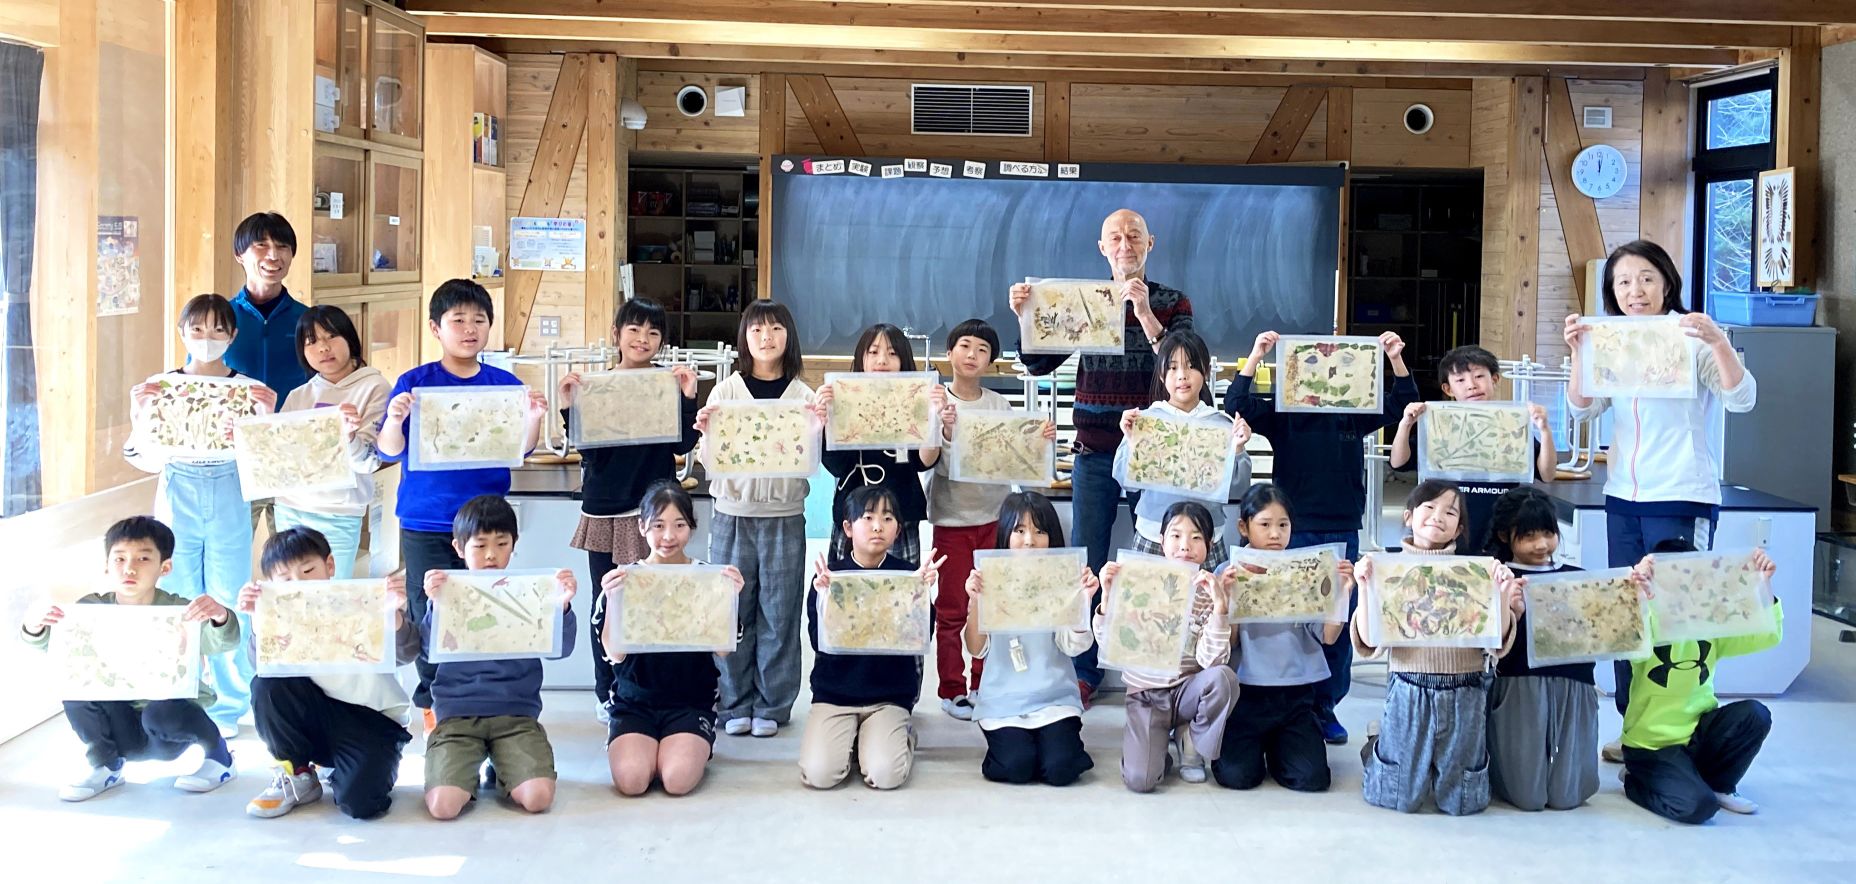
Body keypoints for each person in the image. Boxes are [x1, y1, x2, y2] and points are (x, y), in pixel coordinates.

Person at [1562, 239, 1757, 759]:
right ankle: (1635, 731)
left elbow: (1742, 398)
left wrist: (1718, 342)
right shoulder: (1611, 341)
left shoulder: (1691, 339)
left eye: (1646, 278)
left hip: (1682, 495)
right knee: (1628, 616)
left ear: (1667, 283)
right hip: (1623, 498)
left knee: (1679, 616)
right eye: (1623, 282)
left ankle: (1680, 734)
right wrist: (1580, 351)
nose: (1636, 290)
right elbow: (1581, 410)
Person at [1009, 208, 1194, 702]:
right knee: (1087, 558)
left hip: (1155, 453)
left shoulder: (1172, 301)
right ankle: (1084, 671)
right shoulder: (1086, 300)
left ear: (1150, 243)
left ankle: (1152, 667)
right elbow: (1037, 363)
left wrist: (1145, 313)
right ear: (1101, 246)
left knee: (1158, 559)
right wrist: (1024, 316)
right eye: (1115, 237)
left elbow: (1184, 362)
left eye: (1134, 236)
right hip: (1093, 450)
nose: (1124, 244)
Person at [1225, 328, 1419, 745]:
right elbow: (1236, 403)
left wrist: (1394, 358)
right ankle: (1290, 703)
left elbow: (1402, 403)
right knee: (1290, 618)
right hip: (1289, 530)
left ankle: (1325, 708)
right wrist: (1257, 354)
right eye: (1312, 364)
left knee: (1335, 621)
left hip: (1341, 526)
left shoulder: (1353, 409)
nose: (1324, 373)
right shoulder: (1283, 410)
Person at [376, 279, 548, 728]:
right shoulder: (415, 383)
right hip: (426, 518)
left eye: (479, 320)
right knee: (428, 609)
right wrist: (394, 418)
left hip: (486, 523)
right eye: (458, 320)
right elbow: (389, 449)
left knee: (485, 606)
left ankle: (482, 696)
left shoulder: (504, 385)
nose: (470, 329)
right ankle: (433, 700)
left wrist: (533, 418)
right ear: (436, 328)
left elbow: (522, 449)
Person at [126, 293, 279, 735]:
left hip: (230, 484)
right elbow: (145, 459)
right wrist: (140, 414)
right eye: (197, 329)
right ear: (182, 333)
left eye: (217, 330)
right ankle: (179, 697)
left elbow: (266, 462)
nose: (206, 337)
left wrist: (265, 417)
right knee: (176, 591)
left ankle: (229, 706)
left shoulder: (247, 389)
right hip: (178, 484)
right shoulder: (160, 387)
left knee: (229, 594)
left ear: (232, 335)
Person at [19, 517, 240, 801]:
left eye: (143, 558)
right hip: (120, 724)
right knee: (75, 688)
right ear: (106, 565)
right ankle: (106, 763)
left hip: (167, 722)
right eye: (119, 559)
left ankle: (219, 757)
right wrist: (35, 624)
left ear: (165, 567)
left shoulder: (179, 610)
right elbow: (56, 646)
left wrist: (220, 616)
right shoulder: (91, 609)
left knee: (160, 711)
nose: (130, 568)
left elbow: (222, 641)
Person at [559, 299, 701, 717]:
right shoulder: (597, 385)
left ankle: (651, 688)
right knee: (607, 601)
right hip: (605, 509)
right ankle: (607, 692)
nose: (643, 339)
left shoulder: (666, 384)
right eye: (635, 330)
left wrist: (688, 397)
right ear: (617, 334)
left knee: (656, 599)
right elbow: (586, 449)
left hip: (653, 509)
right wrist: (569, 406)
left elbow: (682, 444)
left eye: (653, 333)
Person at [1352, 480, 1521, 816]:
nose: (1438, 516)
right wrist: (1363, 584)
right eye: (1428, 507)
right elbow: (1369, 641)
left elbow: (1498, 642)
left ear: (1459, 529)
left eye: (1450, 512)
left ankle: (1407, 752)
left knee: (1463, 802)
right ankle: (1378, 746)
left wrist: (1502, 594)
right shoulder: (1386, 569)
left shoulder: (1478, 573)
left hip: (1466, 688)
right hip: (1409, 687)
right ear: (1408, 516)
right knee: (1398, 798)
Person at [695, 300, 817, 739]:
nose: (766, 338)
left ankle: (772, 704)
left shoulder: (804, 397)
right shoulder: (726, 393)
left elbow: (812, 461)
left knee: (780, 613)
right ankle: (732, 703)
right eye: (757, 330)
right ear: (744, 338)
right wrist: (706, 432)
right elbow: (709, 460)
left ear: (789, 337)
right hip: (733, 514)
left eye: (776, 329)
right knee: (732, 611)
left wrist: (820, 426)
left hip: (784, 514)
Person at [237, 527, 416, 819]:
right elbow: (263, 667)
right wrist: (259, 622)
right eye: (285, 579)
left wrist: (393, 614)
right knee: (265, 685)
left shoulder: (363, 601)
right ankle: (297, 772)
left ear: (329, 565)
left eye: (308, 570)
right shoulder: (279, 615)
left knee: (361, 804)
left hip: (374, 719)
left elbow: (408, 652)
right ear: (271, 584)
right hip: (316, 713)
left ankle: (348, 770)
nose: (300, 583)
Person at [421, 495, 578, 819]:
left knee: (537, 798)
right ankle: (471, 769)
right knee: (443, 806)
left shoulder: (530, 592)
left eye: (502, 543)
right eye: (480, 546)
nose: (491, 554)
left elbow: (561, 650)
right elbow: (425, 650)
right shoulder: (447, 592)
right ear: (459, 547)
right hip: (458, 716)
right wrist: (435, 606)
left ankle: (505, 765)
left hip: (516, 714)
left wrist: (561, 606)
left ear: (514, 544)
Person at [927, 319, 1046, 721]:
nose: (972, 355)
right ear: (949, 353)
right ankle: (952, 689)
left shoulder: (999, 406)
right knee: (952, 609)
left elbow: (1015, 458)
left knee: (991, 606)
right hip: (951, 521)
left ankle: (983, 684)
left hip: (995, 521)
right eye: (965, 346)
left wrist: (1038, 443)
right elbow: (933, 462)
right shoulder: (938, 402)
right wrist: (944, 430)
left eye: (982, 350)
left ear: (991, 361)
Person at [594, 481, 743, 797]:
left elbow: (722, 650)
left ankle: (692, 743)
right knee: (632, 781)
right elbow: (615, 655)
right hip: (634, 702)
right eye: (658, 525)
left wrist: (730, 598)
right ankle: (638, 742)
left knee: (677, 780)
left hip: (690, 701)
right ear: (642, 526)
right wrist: (613, 600)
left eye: (679, 525)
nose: (668, 536)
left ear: (692, 527)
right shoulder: (624, 579)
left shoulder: (707, 579)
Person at [1620, 540, 1780, 824]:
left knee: (1755, 714)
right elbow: (1624, 640)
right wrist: (1638, 592)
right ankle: (1637, 780)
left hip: (1698, 732)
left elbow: (1765, 635)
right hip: (1652, 746)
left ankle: (1719, 784)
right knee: (1698, 807)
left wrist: (1763, 584)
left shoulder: (1709, 620)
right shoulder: (1648, 618)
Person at [798, 486, 945, 790]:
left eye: (888, 519)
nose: (878, 526)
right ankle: (856, 740)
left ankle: (901, 736)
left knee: (885, 775)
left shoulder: (907, 576)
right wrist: (825, 599)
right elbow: (818, 642)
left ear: (897, 530)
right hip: (835, 697)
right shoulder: (830, 577)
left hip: (888, 697)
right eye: (868, 518)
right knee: (820, 775)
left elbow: (921, 640)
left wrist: (920, 595)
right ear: (848, 528)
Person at [1212, 484, 1352, 793]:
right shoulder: (1227, 572)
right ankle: (1260, 744)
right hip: (1245, 693)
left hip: (1295, 694)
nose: (1275, 534)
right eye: (1264, 524)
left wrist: (1342, 594)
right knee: (1237, 776)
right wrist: (1228, 601)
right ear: (1243, 527)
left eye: (1283, 525)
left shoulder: (1306, 572)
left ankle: (1280, 746)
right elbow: (1228, 645)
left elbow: (1328, 637)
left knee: (1312, 779)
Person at [1096, 500, 1238, 792]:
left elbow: (1211, 661)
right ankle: (1156, 746)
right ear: (1161, 542)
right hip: (1146, 696)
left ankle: (1191, 740)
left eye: (1196, 537)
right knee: (1141, 781)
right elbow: (1109, 645)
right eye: (1176, 535)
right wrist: (1108, 598)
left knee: (1223, 678)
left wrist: (1221, 608)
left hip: (1187, 691)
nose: (1185, 546)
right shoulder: (1137, 582)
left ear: (1209, 545)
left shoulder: (1209, 590)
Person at [962, 491, 1096, 786]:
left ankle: (1051, 749)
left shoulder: (1062, 580)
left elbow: (1074, 646)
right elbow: (976, 648)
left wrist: (1082, 601)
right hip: (1003, 702)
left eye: (1039, 532)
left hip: (1055, 699)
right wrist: (975, 601)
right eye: (1019, 530)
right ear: (1005, 535)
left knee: (1060, 770)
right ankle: (1024, 750)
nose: (1029, 541)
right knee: (1017, 766)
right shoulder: (990, 579)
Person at [1483, 487, 1601, 812]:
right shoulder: (1496, 579)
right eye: (1529, 536)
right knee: (1528, 797)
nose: (1542, 544)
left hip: (1574, 685)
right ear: (1505, 536)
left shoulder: (1579, 579)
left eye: (1548, 534)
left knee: (1568, 796)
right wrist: (1508, 606)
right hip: (1518, 686)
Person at [1387, 344, 1557, 553]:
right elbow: (1398, 463)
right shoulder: (1440, 424)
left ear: (1495, 379)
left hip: (1499, 521)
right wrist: (1405, 425)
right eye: (1460, 380)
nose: (1472, 385)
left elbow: (1547, 474)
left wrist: (1545, 430)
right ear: (1448, 389)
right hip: (1449, 525)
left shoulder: (1511, 423)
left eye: (1479, 376)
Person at [1113, 329, 1253, 569]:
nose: (1182, 376)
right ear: (1161, 375)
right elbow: (1125, 480)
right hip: (1154, 534)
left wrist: (1239, 449)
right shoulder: (1148, 421)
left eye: (1191, 366)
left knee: (1207, 594)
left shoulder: (1220, 425)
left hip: (1205, 539)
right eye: (1173, 368)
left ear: (1206, 371)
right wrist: (1130, 439)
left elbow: (1238, 489)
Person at [271, 305, 390, 579]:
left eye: (331, 336)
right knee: (290, 593)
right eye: (311, 342)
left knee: (331, 594)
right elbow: (279, 456)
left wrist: (349, 437)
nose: (323, 348)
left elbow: (370, 461)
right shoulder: (299, 395)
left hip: (339, 513)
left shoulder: (375, 387)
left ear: (350, 339)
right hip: (290, 509)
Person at [816, 322, 945, 567]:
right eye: (873, 352)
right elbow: (836, 466)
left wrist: (933, 419)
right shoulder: (843, 399)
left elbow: (923, 461)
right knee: (848, 584)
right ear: (861, 359)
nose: (882, 360)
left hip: (899, 516)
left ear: (904, 361)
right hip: (854, 515)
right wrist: (825, 422)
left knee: (900, 584)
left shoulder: (915, 400)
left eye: (892, 353)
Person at [224, 212, 310, 398]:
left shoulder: (309, 320)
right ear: (239, 255)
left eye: (282, 246)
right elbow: (196, 378)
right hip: (234, 417)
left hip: (294, 416)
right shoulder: (219, 318)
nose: (273, 255)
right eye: (261, 245)